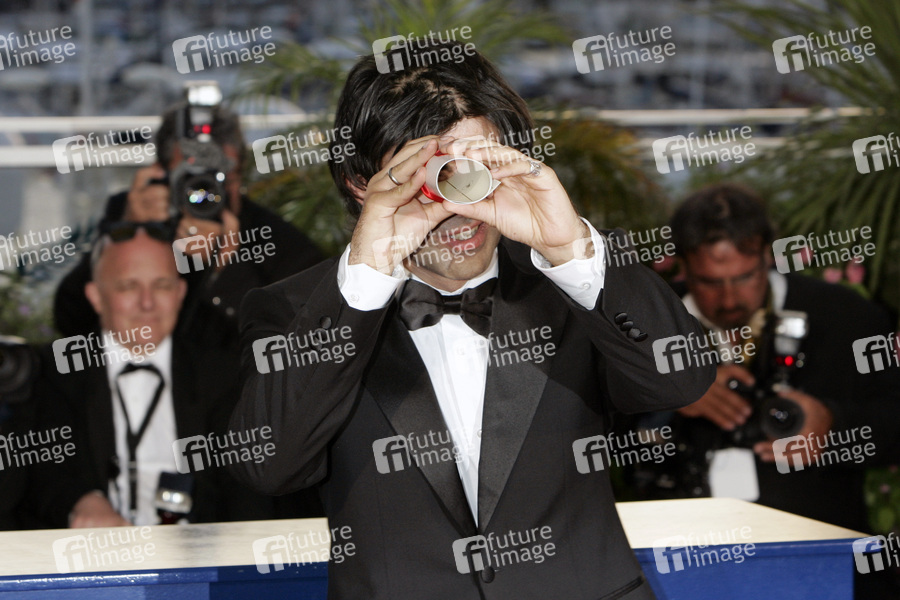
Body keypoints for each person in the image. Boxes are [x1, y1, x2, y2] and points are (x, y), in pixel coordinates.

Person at [228, 40, 714, 599]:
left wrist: (569, 250)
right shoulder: (298, 311)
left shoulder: (570, 282)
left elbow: (683, 380)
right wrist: (364, 284)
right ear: (361, 185)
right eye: (423, 179)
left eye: (475, 170)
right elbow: (268, 466)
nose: (457, 206)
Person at [658, 183, 900, 598]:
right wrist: (666, 390)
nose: (729, 298)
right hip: (685, 569)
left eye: (744, 277)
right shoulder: (647, 328)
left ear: (767, 256)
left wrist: (834, 426)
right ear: (682, 265)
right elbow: (591, 427)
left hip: (819, 566)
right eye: (709, 282)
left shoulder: (847, 317)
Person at [27, 226, 269, 528]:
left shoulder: (224, 374)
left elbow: (247, 485)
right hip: (95, 550)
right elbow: (43, 472)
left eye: (162, 285)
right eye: (129, 286)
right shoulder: (55, 373)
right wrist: (82, 501)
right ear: (96, 296)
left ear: (180, 294)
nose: (146, 303)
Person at [53, 103, 323, 341]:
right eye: (192, 174)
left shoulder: (276, 242)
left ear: (239, 175)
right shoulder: (134, 214)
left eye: (220, 175)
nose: (203, 190)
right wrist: (124, 233)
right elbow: (71, 319)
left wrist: (226, 269)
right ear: (161, 173)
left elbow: (307, 339)